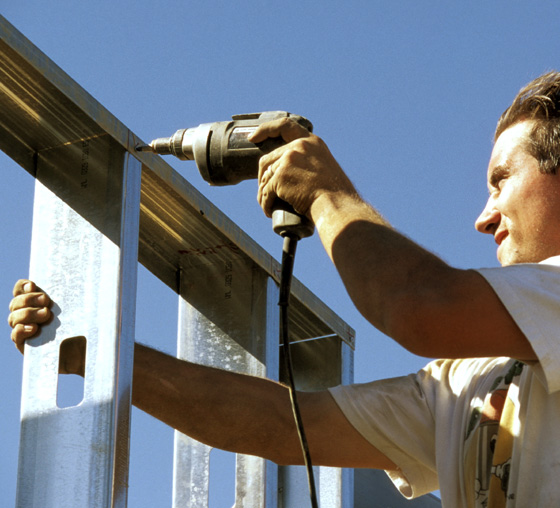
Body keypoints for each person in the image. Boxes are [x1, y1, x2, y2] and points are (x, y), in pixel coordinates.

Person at [8, 71, 560, 507]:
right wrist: (98, 352)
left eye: (501, 180)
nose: (483, 218)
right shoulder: (468, 379)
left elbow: (419, 307)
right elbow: (280, 425)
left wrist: (326, 194)